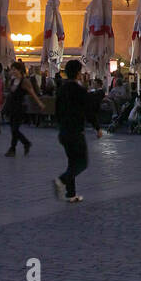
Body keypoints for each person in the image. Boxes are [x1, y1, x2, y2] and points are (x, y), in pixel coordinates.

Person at [53, 59, 102, 202]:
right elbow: (89, 111)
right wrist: (97, 127)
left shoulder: (61, 89)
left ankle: (71, 194)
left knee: (72, 161)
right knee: (81, 163)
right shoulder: (79, 90)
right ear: (78, 73)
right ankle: (61, 180)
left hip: (64, 131)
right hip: (76, 130)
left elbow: (57, 110)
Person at [4, 62, 43, 156]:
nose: (12, 71)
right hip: (11, 107)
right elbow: (10, 94)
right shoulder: (12, 81)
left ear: (20, 70)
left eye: (14, 69)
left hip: (19, 107)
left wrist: (39, 103)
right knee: (13, 128)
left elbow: (32, 93)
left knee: (15, 129)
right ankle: (22, 145)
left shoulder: (24, 81)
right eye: (12, 69)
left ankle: (15, 148)